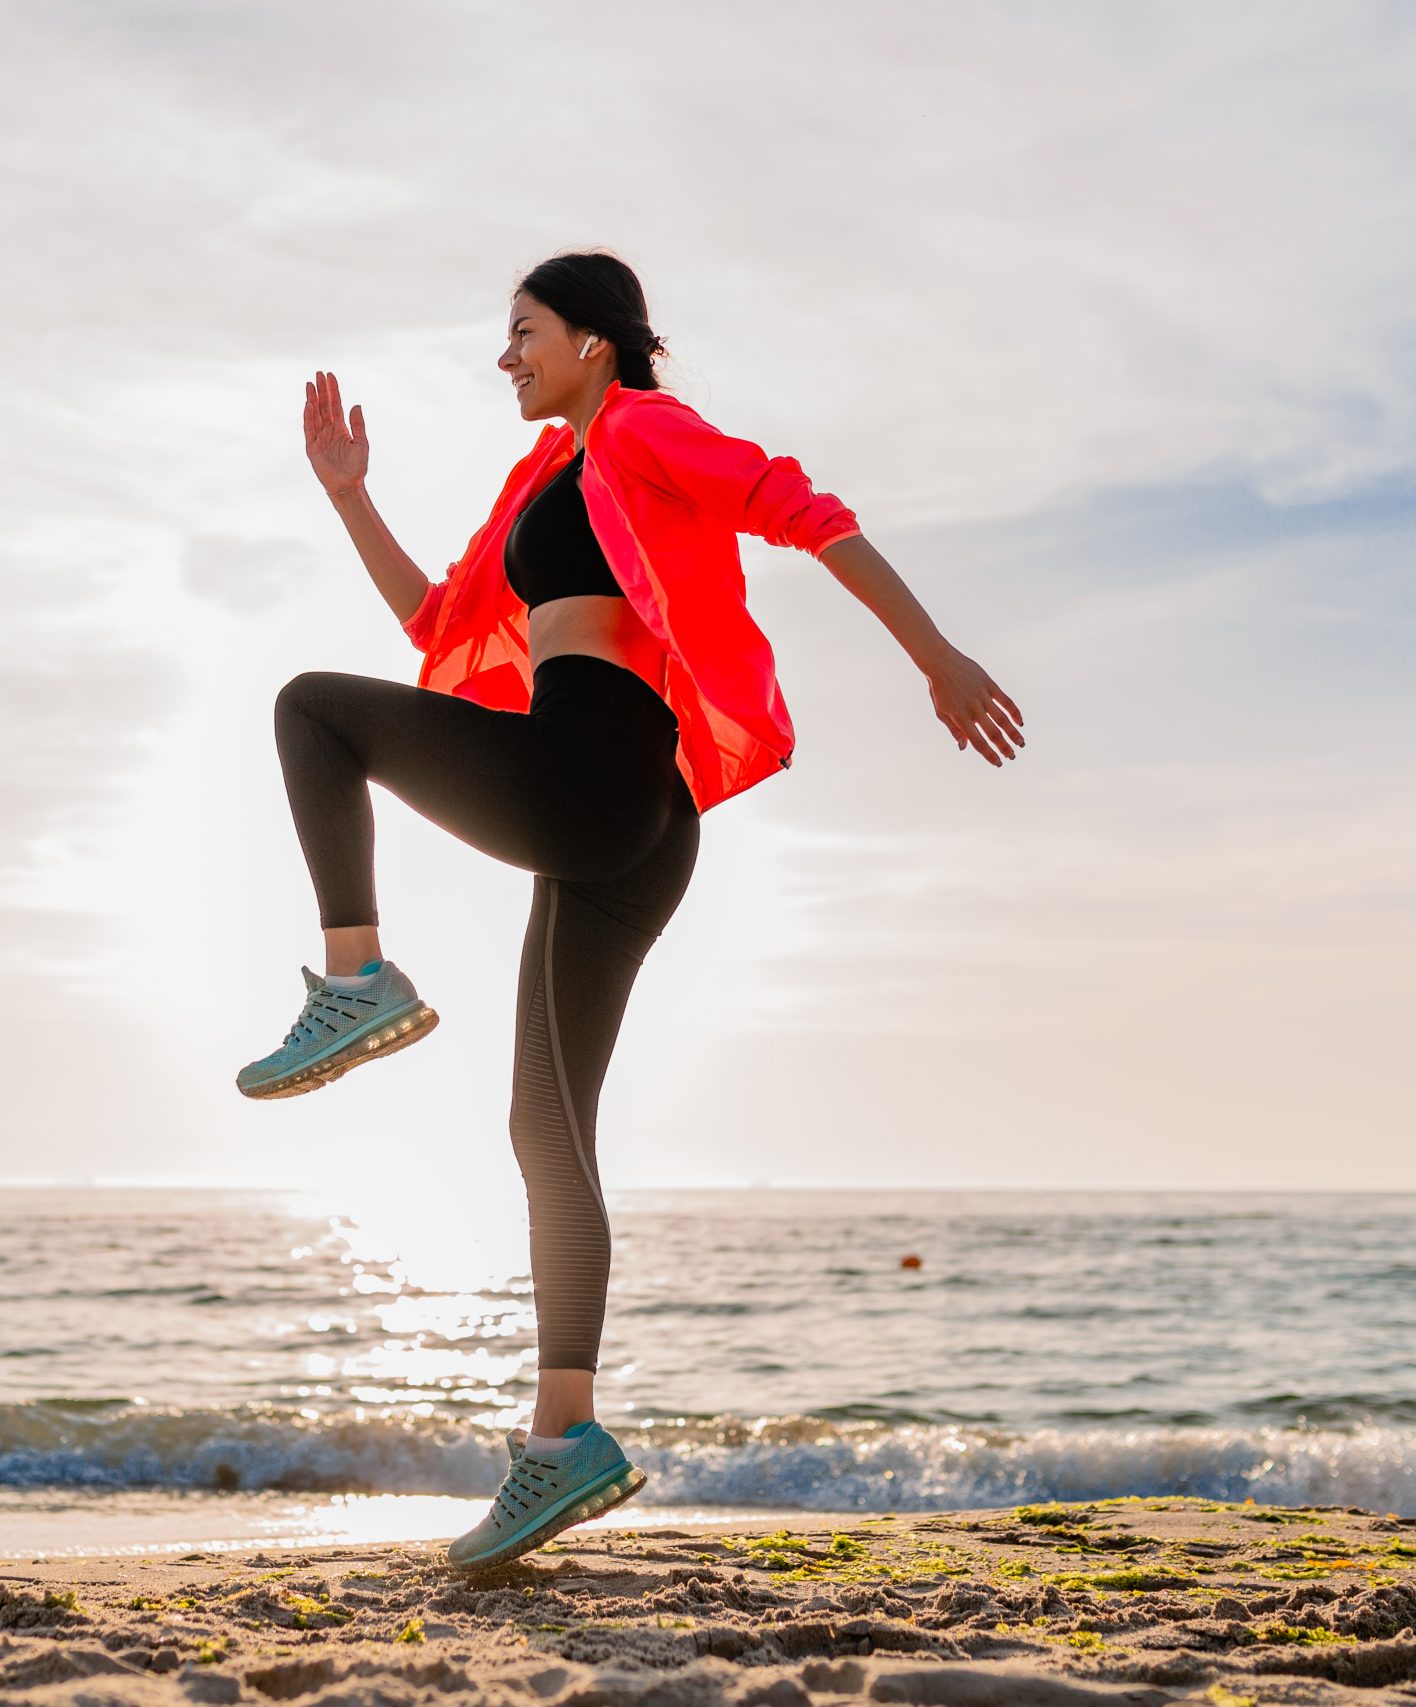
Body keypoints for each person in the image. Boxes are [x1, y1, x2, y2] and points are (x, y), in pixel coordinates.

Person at [239, 249, 1024, 1570]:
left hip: (601, 779)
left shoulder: (647, 429)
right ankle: (566, 1445)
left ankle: (358, 980)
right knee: (545, 1126)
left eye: (525, 332)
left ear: (598, 343)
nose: (507, 356)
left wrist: (937, 659)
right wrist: (350, 498)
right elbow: (441, 623)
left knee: (312, 708)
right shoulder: (542, 482)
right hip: (633, 823)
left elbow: (805, 510)